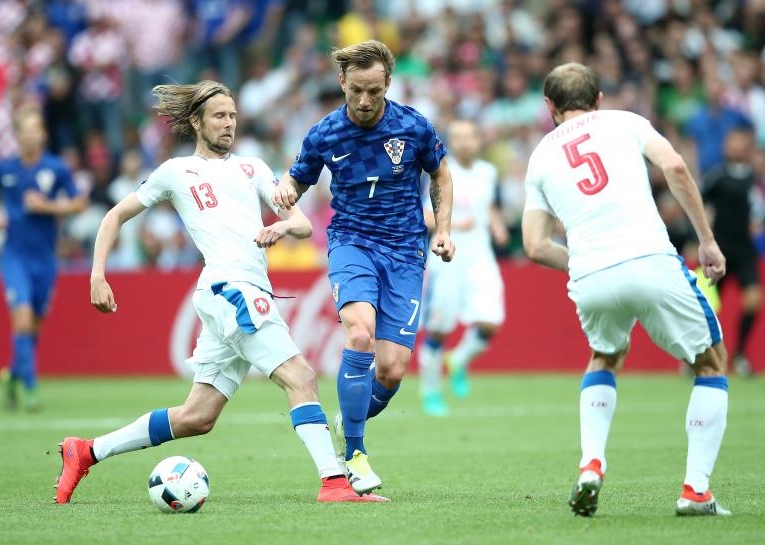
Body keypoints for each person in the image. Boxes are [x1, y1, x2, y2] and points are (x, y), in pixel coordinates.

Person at [53, 81, 387, 505]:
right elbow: (115, 216)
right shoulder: (176, 171)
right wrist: (97, 274)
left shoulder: (253, 167)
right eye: (219, 116)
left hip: (239, 290)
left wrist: (282, 226)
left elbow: (302, 223)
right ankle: (335, 484)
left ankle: (85, 451)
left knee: (198, 417)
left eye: (232, 116)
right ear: (196, 121)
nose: (228, 123)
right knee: (301, 377)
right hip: (230, 288)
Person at [522, 63, 731, 517]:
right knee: (710, 364)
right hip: (651, 258)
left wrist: (582, 264)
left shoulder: (539, 156)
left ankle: (591, 463)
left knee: (605, 357)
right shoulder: (627, 121)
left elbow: (534, 246)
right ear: (599, 98)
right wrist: (707, 240)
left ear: (549, 107)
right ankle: (696, 492)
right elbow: (674, 165)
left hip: (591, 274)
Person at [272, 40, 455, 494]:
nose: (365, 100)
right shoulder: (324, 134)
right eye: (357, 90)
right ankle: (353, 452)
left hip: (405, 250)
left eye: (374, 90)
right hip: (351, 241)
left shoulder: (413, 127)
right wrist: (286, 188)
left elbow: (442, 174)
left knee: (391, 369)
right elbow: (297, 175)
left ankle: (348, 418)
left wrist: (443, 229)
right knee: (359, 332)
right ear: (342, 83)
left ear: (388, 83)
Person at [0, 105, 87, 411]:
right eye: (25, 130)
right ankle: (31, 390)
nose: (31, 135)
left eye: (36, 129)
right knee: (21, 321)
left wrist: (47, 207)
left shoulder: (56, 168)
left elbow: (79, 204)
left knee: (34, 327)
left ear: (43, 134)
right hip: (14, 256)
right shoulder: (4, 168)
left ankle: (12, 376)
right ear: (18, 135)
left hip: (45, 260)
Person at [418, 119, 508, 416]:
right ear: (450, 142)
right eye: (459, 137)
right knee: (439, 328)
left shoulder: (488, 173)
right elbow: (426, 216)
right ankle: (430, 390)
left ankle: (459, 359)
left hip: (481, 256)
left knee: (491, 320)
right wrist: (456, 224)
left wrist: (496, 226)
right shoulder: (440, 172)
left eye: (470, 136)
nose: (465, 142)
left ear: (478, 140)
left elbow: (490, 207)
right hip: (447, 258)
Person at [702, 126, 761, 377]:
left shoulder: (754, 179)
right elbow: (702, 205)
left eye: (740, 142)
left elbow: (757, 211)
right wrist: (704, 239)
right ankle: (698, 357)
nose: (736, 146)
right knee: (707, 307)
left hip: (745, 250)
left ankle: (738, 356)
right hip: (720, 249)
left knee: (753, 301)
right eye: (732, 141)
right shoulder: (717, 176)